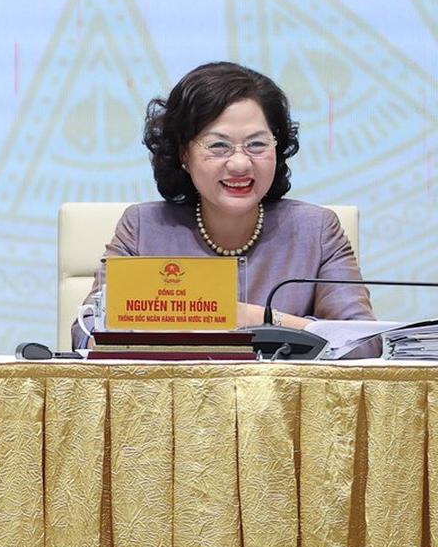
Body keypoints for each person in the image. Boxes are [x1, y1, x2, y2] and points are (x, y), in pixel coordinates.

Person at [72, 61, 372, 348]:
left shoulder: (316, 230)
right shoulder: (143, 229)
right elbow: (86, 335)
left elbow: (364, 343)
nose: (240, 163)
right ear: (184, 154)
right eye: (218, 146)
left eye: (257, 144)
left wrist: (260, 319)